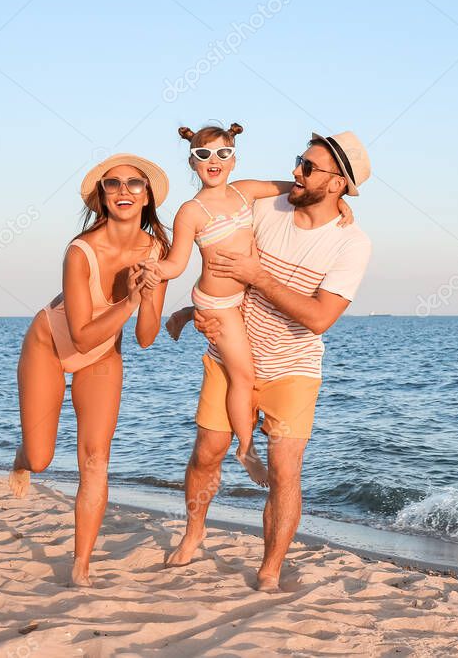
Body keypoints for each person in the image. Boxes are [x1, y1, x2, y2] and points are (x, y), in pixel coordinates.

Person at [162, 131, 372, 591]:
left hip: (292, 366)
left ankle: (270, 569)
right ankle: (194, 532)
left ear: (338, 185)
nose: (295, 172)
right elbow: (216, 259)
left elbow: (319, 318)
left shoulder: (351, 244)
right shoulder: (263, 207)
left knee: (284, 470)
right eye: (299, 160)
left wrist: (260, 276)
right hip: (229, 349)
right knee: (206, 453)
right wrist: (196, 312)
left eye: (308, 168)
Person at [9, 154, 170, 587]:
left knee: (96, 459)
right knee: (42, 459)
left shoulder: (158, 251)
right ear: (101, 197)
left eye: (134, 184)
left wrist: (150, 296)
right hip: (51, 345)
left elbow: (145, 337)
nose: (123, 191)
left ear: (147, 195)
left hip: (103, 356)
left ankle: (80, 567)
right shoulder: (80, 252)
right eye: (112, 184)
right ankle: (23, 455)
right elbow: (79, 337)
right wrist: (130, 300)